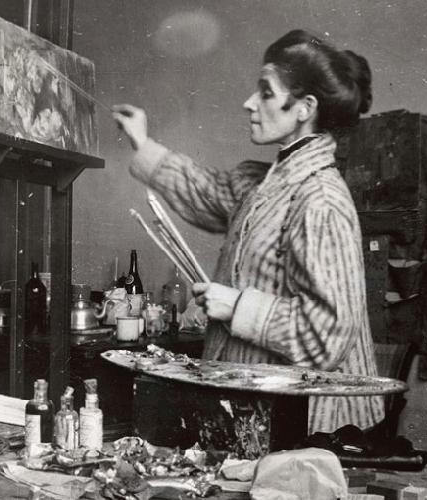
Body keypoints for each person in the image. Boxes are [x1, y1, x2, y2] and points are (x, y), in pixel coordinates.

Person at [112, 29, 384, 433]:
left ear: (305, 108)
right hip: (261, 409)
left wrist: (238, 306)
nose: (249, 102)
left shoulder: (320, 199)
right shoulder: (268, 184)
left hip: (313, 427)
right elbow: (209, 194)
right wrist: (142, 143)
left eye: (266, 92)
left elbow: (326, 336)